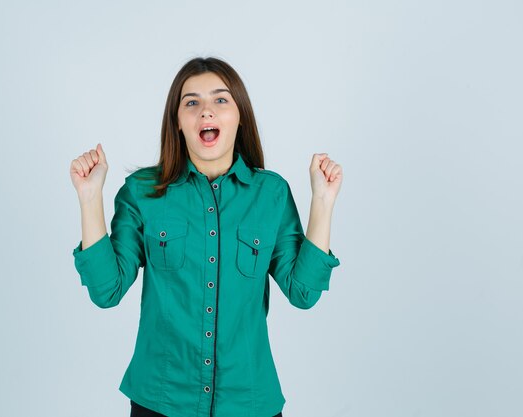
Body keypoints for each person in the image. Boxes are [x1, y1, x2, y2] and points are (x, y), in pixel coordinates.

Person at [69, 57, 343, 417]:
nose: (206, 112)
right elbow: (106, 291)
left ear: (239, 116)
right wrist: (90, 198)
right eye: (192, 102)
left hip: (249, 402)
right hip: (161, 401)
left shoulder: (271, 194)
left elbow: (303, 292)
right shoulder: (142, 192)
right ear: (178, 122)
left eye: (220, 100)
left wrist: (322, 201)